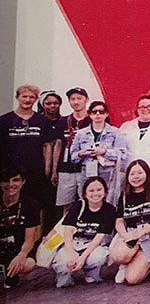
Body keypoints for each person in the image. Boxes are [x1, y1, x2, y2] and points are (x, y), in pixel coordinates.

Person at [50, 176, 115, 288]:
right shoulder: (78, 205)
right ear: (85, 193)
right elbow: (68, 230)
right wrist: (70, 253)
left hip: (92, 246)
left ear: (105, 192)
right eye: (91, 190)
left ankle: (91, 273)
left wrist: (82, 258)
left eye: (99, 190)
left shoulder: (109, 209)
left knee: (98, 257)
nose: (95, 193)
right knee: (63, 268)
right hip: (73, 244)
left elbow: (99, 236)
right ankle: (64, 276)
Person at [109, 159, 150, 286]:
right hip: (130, 235)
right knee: (118, 256)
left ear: (147, 173)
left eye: (139, 173)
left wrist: (141, 233)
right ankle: (125, 263)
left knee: (132, 279)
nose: (136, 177)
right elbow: (119, 220)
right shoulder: (124, 196)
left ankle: (149, 264)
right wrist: (125, 235)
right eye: (132, 174)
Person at [0, 84, 51, 208]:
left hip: (35, 170)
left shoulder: (42, 120)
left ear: (36, 99)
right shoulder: (5, 120)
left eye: (31, 97)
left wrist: (47, 168)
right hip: (11, 170)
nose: (28, 100)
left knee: (37, 204)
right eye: (24, 96)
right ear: (17, 97)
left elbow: (47, 145)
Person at [71, 101, 123, 201]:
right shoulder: (81, 134)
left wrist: (105, 152)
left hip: (108, 173)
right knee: (87, 198)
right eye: (94, 112)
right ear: (89, 114)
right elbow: (73, 156)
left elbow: (123, 154)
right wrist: (80, 154)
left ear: (106, 114)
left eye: (101, 111)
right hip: (87, 172)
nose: (98, 114)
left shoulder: (116, 132)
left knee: (108, 199)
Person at [51, 87, 90, 216]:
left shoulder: (93, 120)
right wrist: (54, 170)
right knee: (66, 204)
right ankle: (65, 232)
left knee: (87, 201)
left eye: (79, 98)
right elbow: (58, 144)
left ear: (86, 100)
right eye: (72, 99)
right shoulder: (63, 121)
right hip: (66, 168)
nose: (76, 102)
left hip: (85, 168)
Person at [0, 166, 40, 288]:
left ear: (23, 182)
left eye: (15, 180)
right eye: (6, 181)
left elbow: (29, 240)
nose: (11, 184)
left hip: (18, 248)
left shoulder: (30, 204)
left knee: (28, 264)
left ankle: (10, 271)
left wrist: (21, 256)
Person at [37, 90, 64, 191]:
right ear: (42, 104)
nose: (52, 106)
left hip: (58, 164)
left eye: (55, 103)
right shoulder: (37, 121)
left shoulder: (63, 121)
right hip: (40, 162)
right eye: (48, 103)